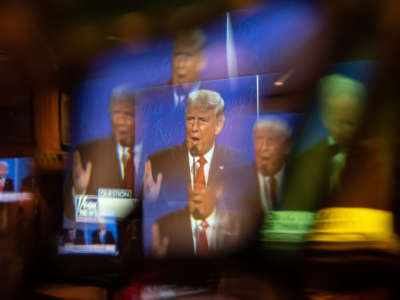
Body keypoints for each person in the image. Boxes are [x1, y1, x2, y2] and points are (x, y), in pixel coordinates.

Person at [282, 74, 366, 211]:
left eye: (351, 123)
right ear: (325, 118)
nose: (345, 130)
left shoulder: (375, 158)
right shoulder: (303, 162)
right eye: (339, 122)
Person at [143, 89, 239, 207]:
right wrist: (149, 203)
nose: (194, 128)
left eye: (202, 120)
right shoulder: (159, 163)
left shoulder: (236, 163)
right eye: (190, 119)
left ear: (218, 125)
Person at [64, 86, 143, 220]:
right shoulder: (87, 154)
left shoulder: (159, 156)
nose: (121, 121)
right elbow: (69, 213)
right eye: (116, 113)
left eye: (129, 114)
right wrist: (78, 192)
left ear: (142, 117)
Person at [151, 183, 240, 258]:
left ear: (218, 190)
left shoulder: (237, 224)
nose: (196, 190)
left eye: (203, 184)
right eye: (192, 183)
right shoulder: (164, 225)